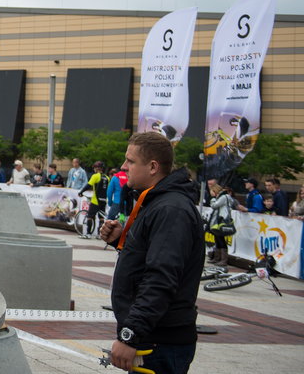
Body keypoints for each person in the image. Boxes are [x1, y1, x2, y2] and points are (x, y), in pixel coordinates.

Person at [99, 132, 204, 374]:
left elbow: (161, 277)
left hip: (160, 340)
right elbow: (151, 259)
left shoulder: (170, 209)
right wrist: (120, 242)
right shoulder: (159, 202)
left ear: (153, 166)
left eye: (131, 161)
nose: (124, 167)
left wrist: (130, 335)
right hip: (155, 336)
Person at [207, 182, 238, 266]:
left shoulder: (224, 197)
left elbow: (214, 205)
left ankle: (223, 259)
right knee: (217, 238)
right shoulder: (223, 196)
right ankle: (217, 258)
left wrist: (213, 198)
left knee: (221, 239)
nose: (210, 192)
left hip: (222, 220)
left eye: (211, 191)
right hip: (218, 220)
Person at [79, 161, 108, 238]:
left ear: (97, 168)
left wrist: (81, 192)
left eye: (94, 168)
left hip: (95, 200)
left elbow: (88, 185)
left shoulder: (95, 176)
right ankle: (99, 234)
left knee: (90, 216)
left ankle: (88, 234)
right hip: (104, 200)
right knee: (101, 218)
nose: (94, 169)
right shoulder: (107, 177)